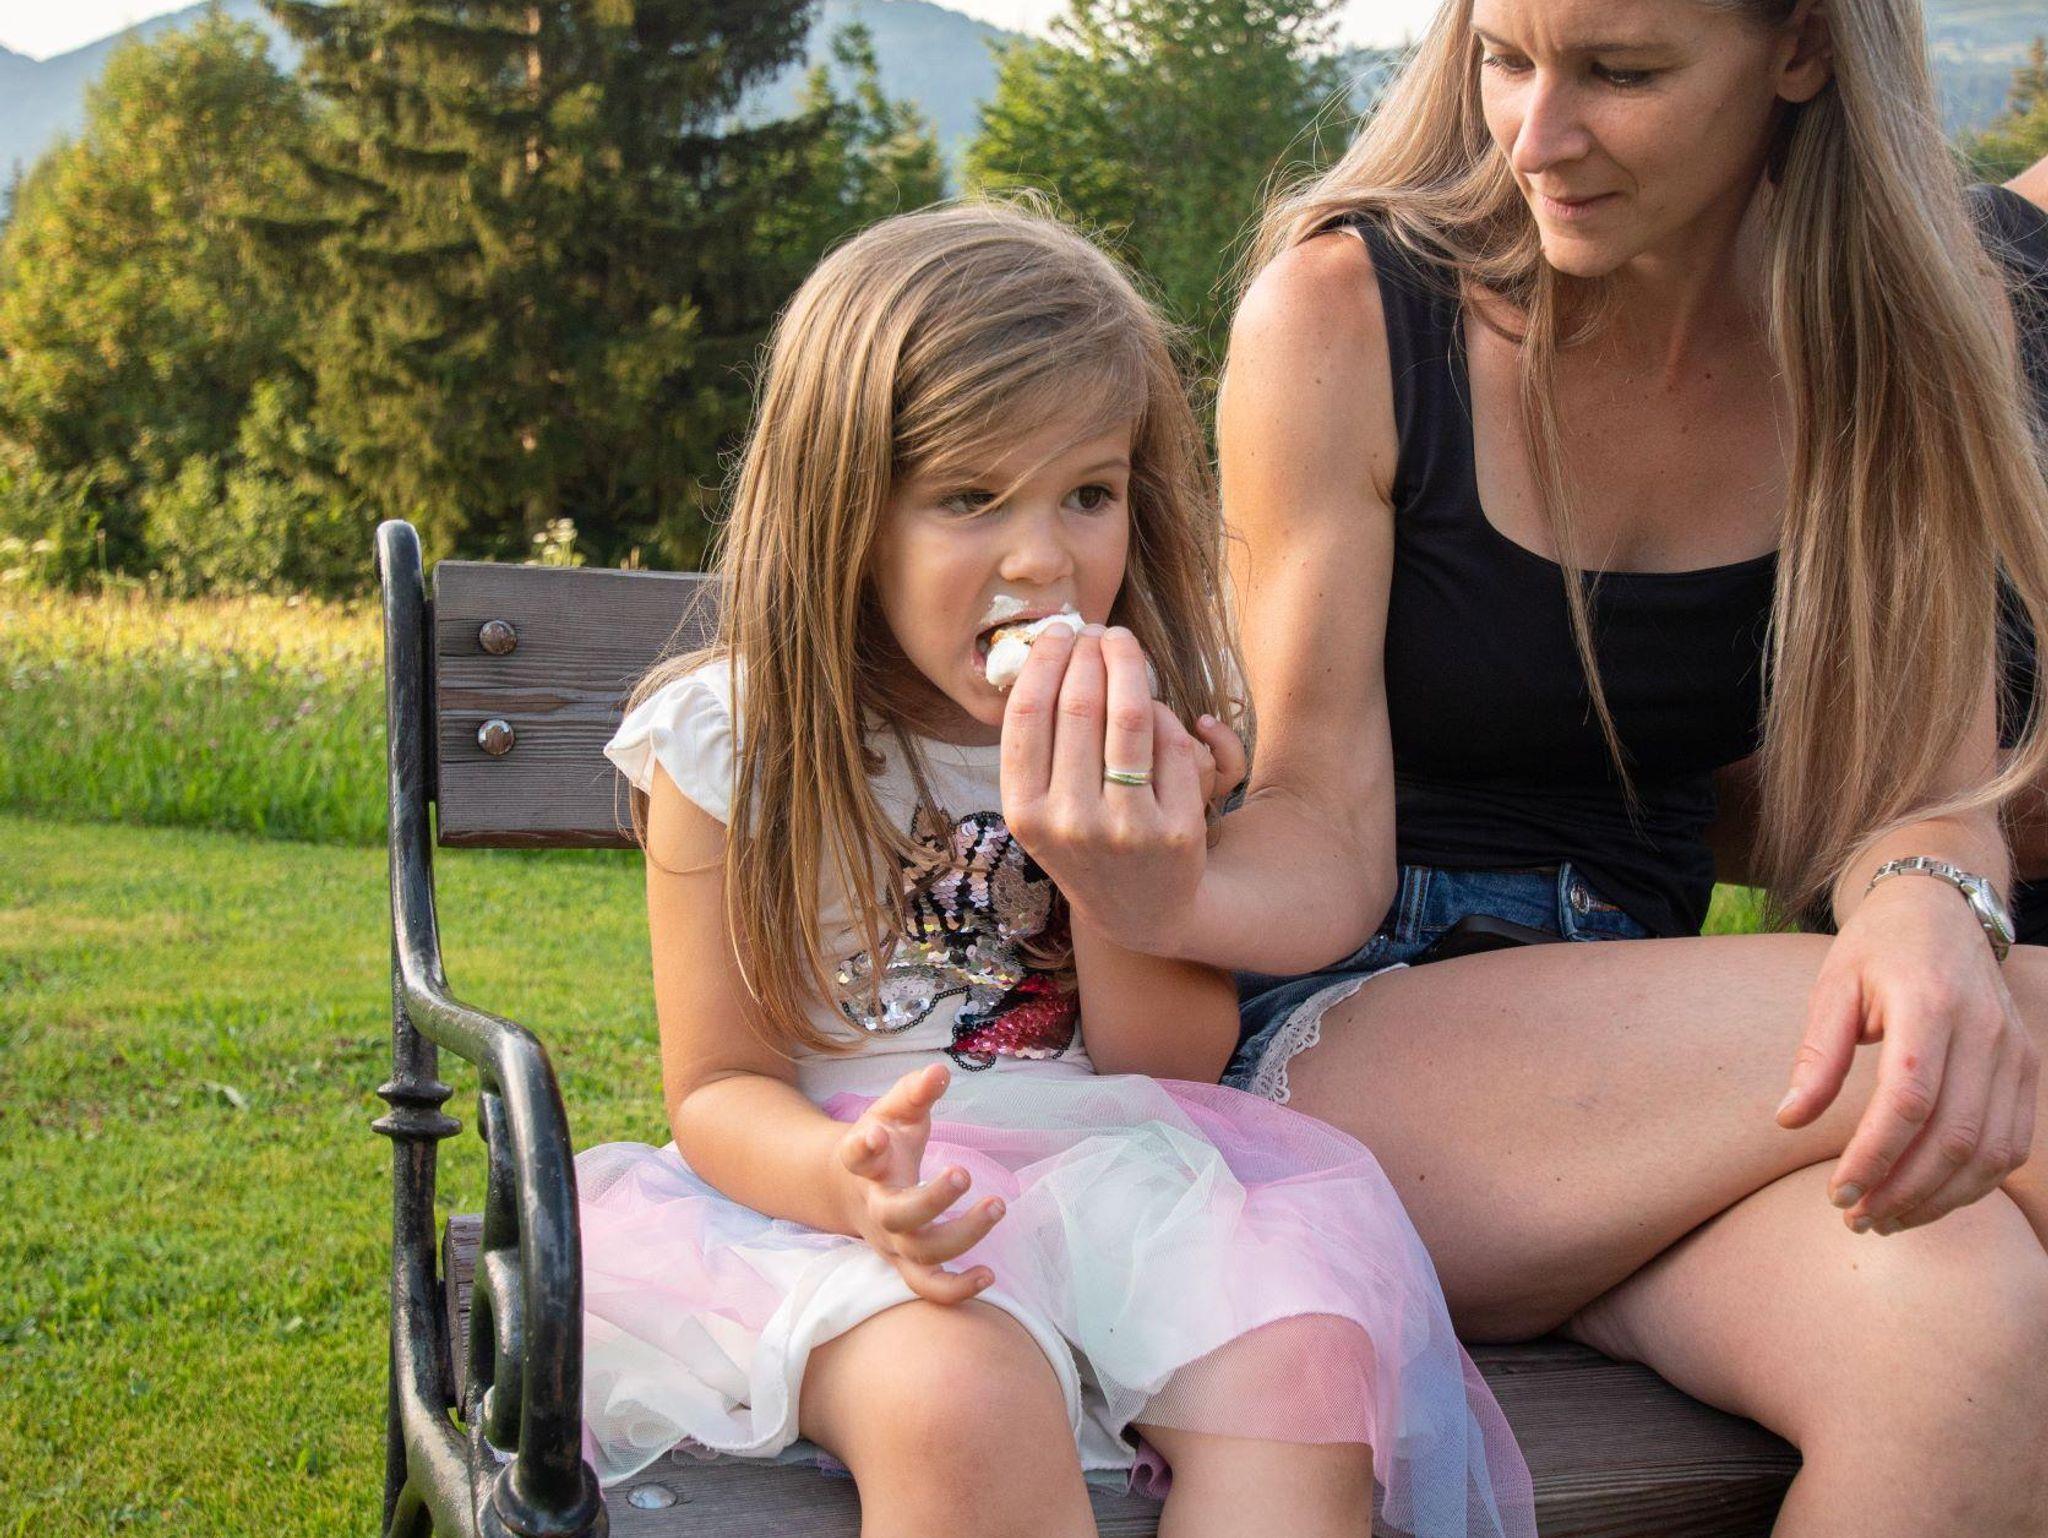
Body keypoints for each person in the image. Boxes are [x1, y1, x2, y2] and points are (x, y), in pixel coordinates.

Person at [993, 4, 2048, 1534]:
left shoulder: (1896, 335)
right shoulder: (1352, 315)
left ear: (1803, 51)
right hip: (1344, 1041)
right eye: (1506, 57)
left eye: (1621, 72)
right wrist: (1154, 884)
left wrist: (1929, 898)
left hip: (1654, 1102)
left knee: (1973, 1343)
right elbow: (1318, 826)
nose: (1536, 136)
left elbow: (1924, 797)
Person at [577, 202, 1536, 1538]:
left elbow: (1168, 1062)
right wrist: (848, 1179)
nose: (1043, 559)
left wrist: (1126, 868)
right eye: (970, 498)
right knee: (959, 1396)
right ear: (848, 512)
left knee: (1306, 1361)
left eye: (1088, 493)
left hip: (1112, 1183)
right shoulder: (734, 743)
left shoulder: (1140, 732)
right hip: (839, 1205)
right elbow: (717, 1087)